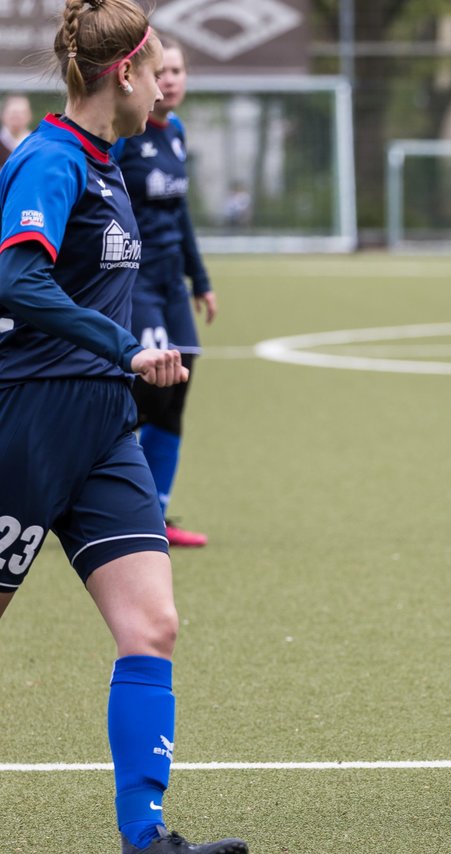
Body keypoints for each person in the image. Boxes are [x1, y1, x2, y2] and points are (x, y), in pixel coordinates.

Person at [0, 1, 248, 852]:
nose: (164, 86)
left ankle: (146, 837)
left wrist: (122, 362)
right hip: (25, 423)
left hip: (105, 426)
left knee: (152, 626)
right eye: (156, 71)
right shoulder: (48, 160)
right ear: (125, 74)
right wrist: (124, 345)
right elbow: (20, 284)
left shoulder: (111, 161)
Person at [111, 37, 215, 548]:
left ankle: (157, 515)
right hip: (139, 282)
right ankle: (91, 496)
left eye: (178, 71)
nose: (170, 79)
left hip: (173, 285)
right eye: (164, 70)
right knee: (145, 392)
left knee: (176, 396)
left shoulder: (175, 133)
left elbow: (182, 217)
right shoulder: (127, 137)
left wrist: (203, 281)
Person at [0, 93, 34, 168]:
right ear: (3, 114)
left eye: (22, 113)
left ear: (29, 115)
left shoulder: (36, 143)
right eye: (14, 113)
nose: (18, 117)